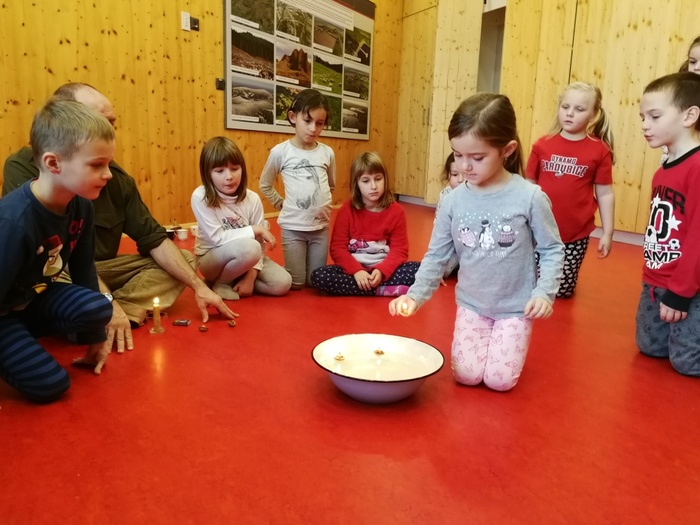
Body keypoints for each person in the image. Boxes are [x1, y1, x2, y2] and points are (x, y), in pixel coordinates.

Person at [3, 83, 237, 352]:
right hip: (55, 270)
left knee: (183, 260)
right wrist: (107, 305)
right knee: (55, 268)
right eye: (99, 121)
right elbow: (48, 257)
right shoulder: (25, 168)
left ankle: (103, 314)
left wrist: (198, 286)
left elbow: (153, 238)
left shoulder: (115, 179)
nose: (109, 131)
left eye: (112, 123)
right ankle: (95, 313)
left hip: (99, 270)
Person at [389, 93, 564, 392]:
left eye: (477, 158)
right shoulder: (452, 200)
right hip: (472, 304)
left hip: (515, 307)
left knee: (499, 381)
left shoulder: (530, 197)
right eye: (457, 155)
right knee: (466, 375)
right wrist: (414, 296)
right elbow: (437, 255)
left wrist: (544, 294)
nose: (465, 166)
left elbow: (551, 249)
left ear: (507, 150)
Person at [0, 99, 116, 402]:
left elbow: (84, 271)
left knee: (99, 306)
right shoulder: (14, 221)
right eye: (97, 165)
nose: (108, 174)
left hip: (32, 301)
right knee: (52, 385)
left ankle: (23, 337)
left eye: (108, 164)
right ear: (53, 163)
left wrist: (96, 337)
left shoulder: (82, 206)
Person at [526, 81, 615, 298]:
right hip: (539, 228)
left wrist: (608, 232)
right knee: (532, 283)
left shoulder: (600, 150)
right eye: (565, 107)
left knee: (562, 291)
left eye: (579, 109)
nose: (570, 113)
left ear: (593, 114)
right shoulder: (542, 145)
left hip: (575, 232)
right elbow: (528, 184)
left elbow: (605, 193)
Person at [637, 72, 700, 376]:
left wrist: (681, 291)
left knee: (686, 362)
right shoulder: (662, 171)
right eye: (642, 117)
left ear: (689, 116)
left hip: (689, 286)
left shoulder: (697, 166)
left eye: (655, 116)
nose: (644, 125)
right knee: (649, 347)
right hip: (656, 279)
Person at [191, 137, 292, 300]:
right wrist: (254, 230)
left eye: (235, 169)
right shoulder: (200, 196)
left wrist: (250, 277)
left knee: (282, 283)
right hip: (211, 259)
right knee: (250, 247)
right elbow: (217, 238)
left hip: (248, 257)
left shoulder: (252, 199)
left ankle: (232, 280)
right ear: (207, 173)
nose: (229, 176)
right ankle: (222, 282)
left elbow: (260, 244)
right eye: (219, 171)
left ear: (242, 169)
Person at [310, 152, 419, 296]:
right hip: (354, 271)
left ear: (385, 179)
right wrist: (357, 271)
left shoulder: (396, 211)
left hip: (384, 269)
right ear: (357, 184)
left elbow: (400, 250)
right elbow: (338, 248)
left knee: (421, 269)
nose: (373, 186)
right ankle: (382, 290)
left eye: (378, 179)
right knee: (319, 276)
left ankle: (369, 288)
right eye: (366, 181)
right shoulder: (346, 210)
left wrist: (382, 271)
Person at [259, 88, 336, 289]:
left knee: (316, 282)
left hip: (320, 229)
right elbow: (265, 184)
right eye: (307, 121)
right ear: (293, 117)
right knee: (297, 283)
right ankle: (262, 271)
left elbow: (331, 185)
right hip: (293, 229)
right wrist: (280, 203)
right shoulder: (281, 152)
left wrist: (320, 206)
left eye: (319, 123)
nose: (313, 128)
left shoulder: (327, 153)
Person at [435, 152, 465, 280]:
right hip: (450, 243)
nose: (460, 180)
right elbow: (439, 227)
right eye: (455, 174)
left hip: (469, 244)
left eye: (465, 174)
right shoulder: (445, 195)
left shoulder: (477, 196)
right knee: (440, 270)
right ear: (448, 175)